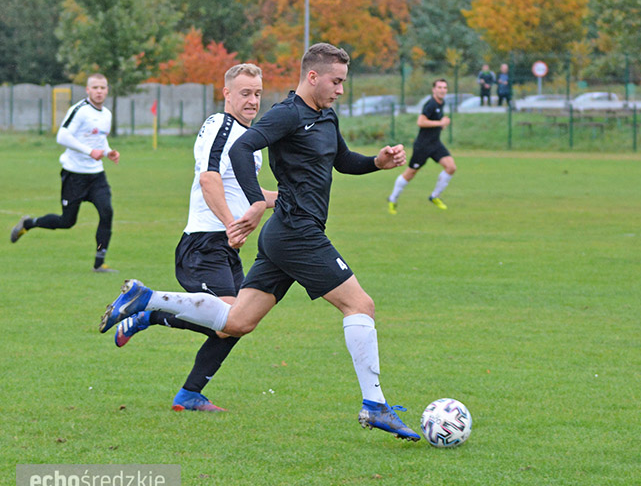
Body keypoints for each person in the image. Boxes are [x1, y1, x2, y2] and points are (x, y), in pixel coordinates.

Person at [99, 43, 420, 441]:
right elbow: (241, 148)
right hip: (297, 232)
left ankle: (149, 301)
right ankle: (375, 406)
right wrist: (254, 202)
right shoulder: (287, 114)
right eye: (335, 82)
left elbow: (341, 160)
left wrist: (376, 162)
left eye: (343, 83)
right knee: (361, 305)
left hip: (285, 236)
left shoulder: (326, 117)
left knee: (237, 322)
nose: (340, 90)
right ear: (313, 76)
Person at [111, 64, 278, 412]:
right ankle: (149, 309)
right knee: (231, 321)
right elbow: (209, 179)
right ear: (227, 93)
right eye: (245, 93)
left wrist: (291, 198)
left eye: (258, 93)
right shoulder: (221, 125)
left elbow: (245, 191)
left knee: (238, 324)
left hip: (224, 246)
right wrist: (232, 223)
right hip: (204, 243)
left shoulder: (250, 140)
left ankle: (189, 394)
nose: (253, 100)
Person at [10, 73, 120, 272]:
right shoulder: (79, 110)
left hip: (96, 175)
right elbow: (62, 136)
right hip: (74, 175)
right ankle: (28, 223)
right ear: (88, 90)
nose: (99, 91)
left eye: (102, 88)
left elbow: (100, 140)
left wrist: (107, 152)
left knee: (107, 212)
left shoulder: (107, 114)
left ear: (107, 90)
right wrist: (89, 151)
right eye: (95, 87)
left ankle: (99, 262)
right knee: (67, 221)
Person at [387, 79, 456, 214]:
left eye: (445, 88)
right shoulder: (430, 104)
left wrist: (441, 124)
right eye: (440, 87)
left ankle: (434, 196)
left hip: (435, 144)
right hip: (423, 146)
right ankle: (393, 198)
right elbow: (421, 122)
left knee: (451, 167)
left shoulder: (441, 103)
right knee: (411, 173)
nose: (443, 90)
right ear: (434, 90)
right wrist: (439, 122)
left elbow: (433, 123)